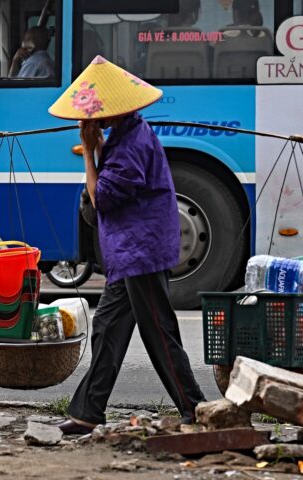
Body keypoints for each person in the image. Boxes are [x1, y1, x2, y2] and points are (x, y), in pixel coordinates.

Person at [48, 56, 206, 435]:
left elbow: (102, 197)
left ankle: (196, 408)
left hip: (142, 252)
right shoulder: (125, 135)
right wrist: (100, 146)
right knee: (108, 327)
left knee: (159, 332)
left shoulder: (130, 143)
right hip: (129, 253)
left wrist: (89, 152)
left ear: (109, 113)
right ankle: (89, 411)